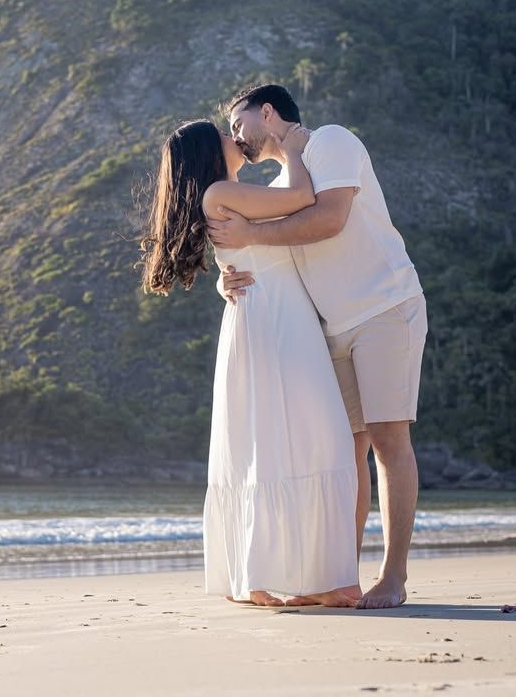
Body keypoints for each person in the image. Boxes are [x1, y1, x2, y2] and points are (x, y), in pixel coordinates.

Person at [208, 84, 427, 609]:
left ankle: (393, 576)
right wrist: (227, 277)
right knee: (345, 450)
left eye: (239, 124)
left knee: (387, 440)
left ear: (268, 112)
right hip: (328, 328)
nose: (237, 137)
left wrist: (252, 238)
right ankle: (339, 578)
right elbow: (271, 258)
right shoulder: (286, 179)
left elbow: (329, 221)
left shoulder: (332, 142)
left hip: (383, 308)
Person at [139, 118, 360, 608]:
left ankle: (283, 577)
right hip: (274, 322)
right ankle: (281, 577)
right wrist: (294, 146)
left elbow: (252, 249)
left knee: (286, 441)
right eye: (224, 133)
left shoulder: (228, 193)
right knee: (308, 438)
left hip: (273, 317)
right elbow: (302, 197)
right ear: (209, 151)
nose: (232, 137)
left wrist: (226, 276)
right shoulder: (222, 192)